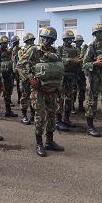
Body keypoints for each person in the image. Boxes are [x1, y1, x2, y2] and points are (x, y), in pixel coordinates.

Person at [17, 27, 65, 157]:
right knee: (40, 116)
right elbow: (20, 65)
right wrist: (30, 79)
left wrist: (57, 86)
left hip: (52, 90)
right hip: (38, 90)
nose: (47, 41)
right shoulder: (34, 50)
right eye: (45, 38)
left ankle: (49, 141)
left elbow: (59, 69)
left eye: (50, 39)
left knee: (51, 115)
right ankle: (39, 143)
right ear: (41, 38)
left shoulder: (55, 52)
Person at [56, 30, 80, 132]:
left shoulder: (75, 49)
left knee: (69, 98)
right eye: (68, 39)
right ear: (64, 39)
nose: (70, 41)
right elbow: (57, 60)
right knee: (60, 98)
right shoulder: (60, 49)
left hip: (71, 76)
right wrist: (70, 60)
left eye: (71, 39)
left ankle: (66, 119)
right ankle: (58, 121)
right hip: (62, 76)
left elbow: (79, 58)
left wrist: (78, 62)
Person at [0, 36, 17, 118]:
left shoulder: (9, 51)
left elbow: (12, 62)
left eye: (6, 43)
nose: (5, 44)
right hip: (1, 77)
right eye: (4, 43)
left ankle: (8, 111)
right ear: (0, 44)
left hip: (9, 76)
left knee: (8, 94)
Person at [18, 33, 36, 125]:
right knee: (25, 96)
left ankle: (33, 115)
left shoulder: (35, 50)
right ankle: (24, 116)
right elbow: (19, 65)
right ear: (26, 42)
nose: (32, 42)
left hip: (34, 76)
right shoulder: (25, 51)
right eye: (29, 41)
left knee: (33, 96)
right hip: (25, 78)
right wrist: (27, 77)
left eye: (32, 40)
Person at [73, 35, 87, 113]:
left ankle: (81, 105)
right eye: (78, 42)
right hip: (74, 73)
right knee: (73, 90)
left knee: (82, 89)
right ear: (75, 42)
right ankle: (71, 106)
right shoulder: (73, 50)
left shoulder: (83, 50)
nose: (80, 43)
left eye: (81, 41)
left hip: (81, 73)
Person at [10, 36, 22, 105]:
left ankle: (12, 99)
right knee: (18, 85)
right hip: (17, 69)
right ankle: (19, 99)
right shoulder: (18, 49)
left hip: (13, 69)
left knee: (12, 85)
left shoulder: (10, 49)